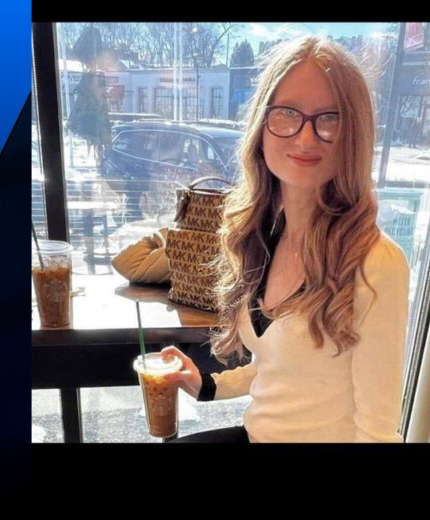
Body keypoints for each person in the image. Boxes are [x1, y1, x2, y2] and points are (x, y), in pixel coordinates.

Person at [162, 35, 411, 443]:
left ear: (354, 135)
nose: (306, 138)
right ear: (262, 127)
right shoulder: (265, 237)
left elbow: (378, 429)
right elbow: (279, 367)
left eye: (329, 119)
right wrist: (206, 384)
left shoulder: (376, 264)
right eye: (287, 114)